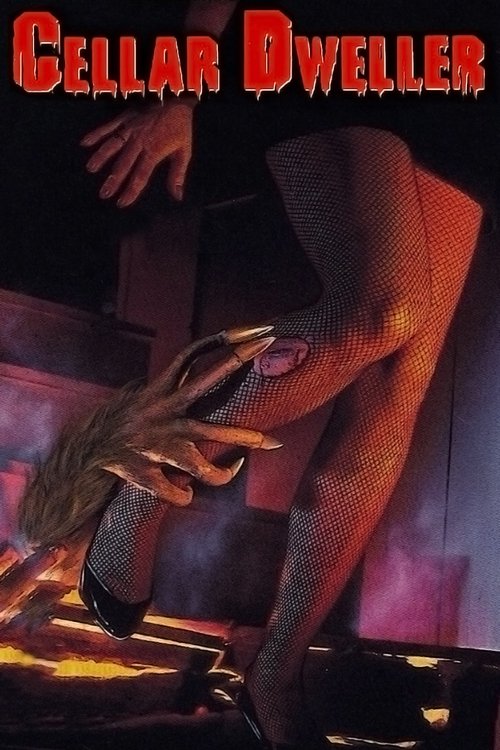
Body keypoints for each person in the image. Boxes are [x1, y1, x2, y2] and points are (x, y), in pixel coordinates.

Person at [79, 2, 492, 748]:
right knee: (382, 311)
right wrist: (182, 89)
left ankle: (277, 668)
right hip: (322, 41)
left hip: (452, 64)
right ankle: (141, 485)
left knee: (398, 382)